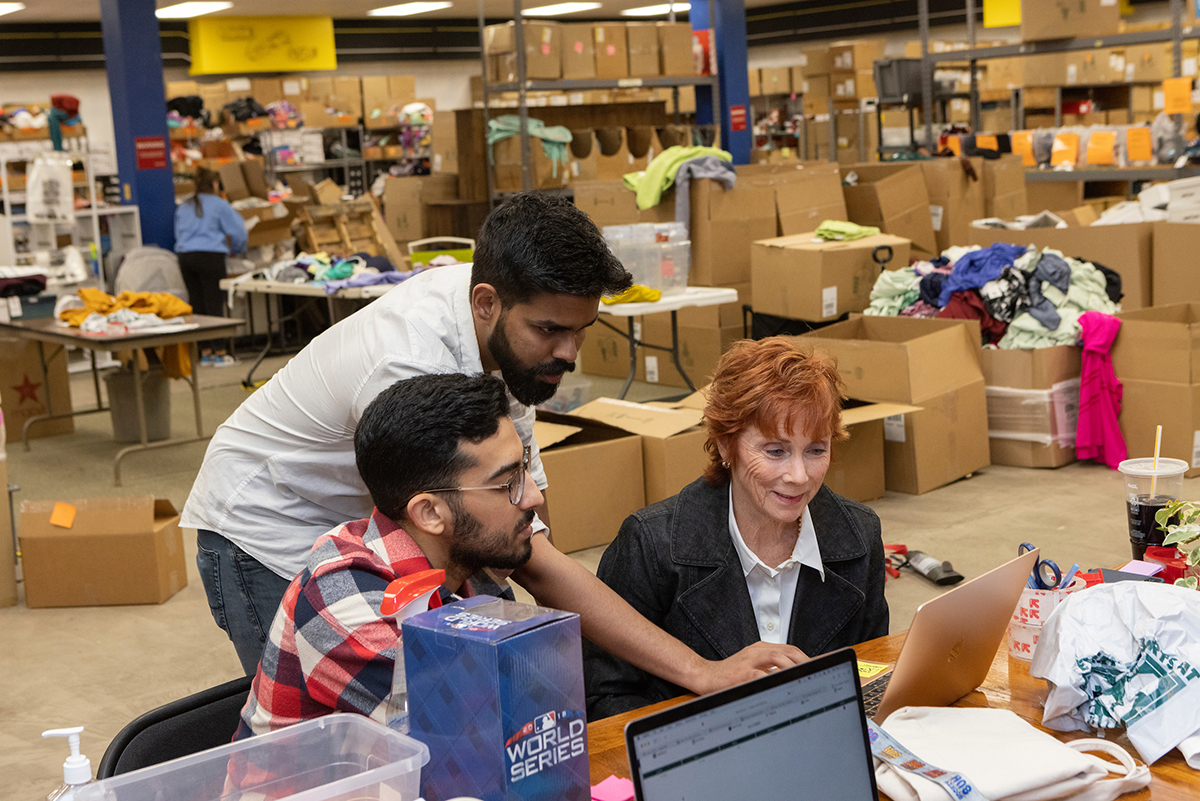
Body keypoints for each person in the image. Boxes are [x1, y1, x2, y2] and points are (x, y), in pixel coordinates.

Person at [182, 192, 802, 694]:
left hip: (385, 514)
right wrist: (698, 670)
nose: (568, 352)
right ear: (487, 304)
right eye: (551, 330)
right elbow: (528, 558)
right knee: (363, 709)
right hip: (269, 520)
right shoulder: (412, 362)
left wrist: (554, 626)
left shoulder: (504, 327)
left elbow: (530, 520)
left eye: (583, 330)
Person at [584, 338, 890, 719]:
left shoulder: (860, 536)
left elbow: (872, 668)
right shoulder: (651, 544)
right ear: (725, 445)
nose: (798, 476)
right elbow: (604, 701)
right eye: (775, 451)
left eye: (816, 450)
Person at [234, 372, 540, 738]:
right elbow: (477, 733)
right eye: (508, 483)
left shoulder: (470, 565)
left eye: (524, 468)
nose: (533, 496)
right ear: (429, 513)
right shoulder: (341, 596)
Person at [174, 166, 247, 365]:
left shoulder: (185, 206)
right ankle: (221, 352)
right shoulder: (219, 205)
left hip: (185, 257)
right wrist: (237, 250)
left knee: (197, 305)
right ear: (214, 184)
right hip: (210, 256)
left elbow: (178, 233)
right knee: (214, 303)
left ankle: (205, 352)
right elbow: (240, 232)